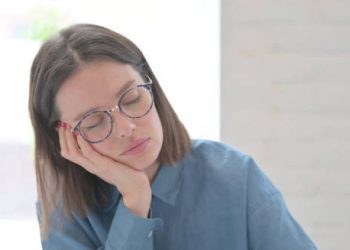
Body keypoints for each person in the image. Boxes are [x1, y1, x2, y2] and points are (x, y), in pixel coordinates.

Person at [29, 23, 318, 250]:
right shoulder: (62, 209)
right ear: (64, 139)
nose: (125, 127)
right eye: (93, 122)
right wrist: (134, 200)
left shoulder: (234, 175)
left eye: (131, 99)